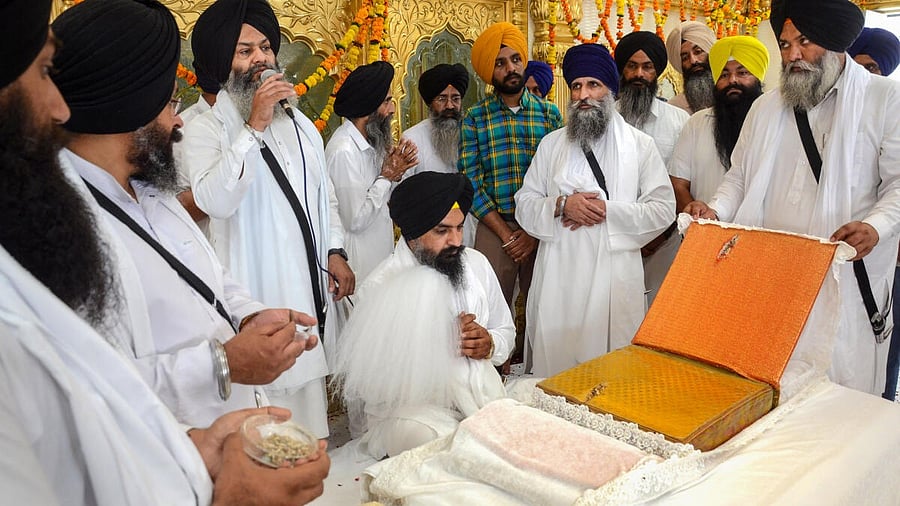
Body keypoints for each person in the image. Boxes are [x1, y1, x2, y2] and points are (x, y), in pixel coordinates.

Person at [0, 0, 329, 503]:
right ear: (125, 103)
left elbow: (211, 274)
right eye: (169, 101)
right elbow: (96, 391)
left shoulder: (150, 188)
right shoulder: (63, 228)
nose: (178, 121)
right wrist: (223, 365)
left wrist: (250, 316)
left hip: (213, 448)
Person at [685, 0, 900, 396]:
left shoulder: (883, 99)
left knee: (837, 387)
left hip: (843, 278)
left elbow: (898, 185)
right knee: (771, 387)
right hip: (773, 278)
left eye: (804, 41)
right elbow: (739, 177)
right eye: (785, 45)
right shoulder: (766, 107)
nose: (793, 55)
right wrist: (715, 209)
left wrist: (876, 226)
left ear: (835, 42)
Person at [180, 0, 353, 438]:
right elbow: (215, 200)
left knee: (308, 436)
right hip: (253, 300)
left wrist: (334, 250)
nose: (260, 58)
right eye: (244, 51)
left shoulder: (302, 126)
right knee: (260, 438)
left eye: (264, 47)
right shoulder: (203, 131)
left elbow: (323, 196)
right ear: (224, 63)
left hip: (306, 295)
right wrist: (253, 125)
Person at [515, 43, 675, 377]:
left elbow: (663, 209)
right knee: (556, 371)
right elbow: (525, 205)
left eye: (593, 85)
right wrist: (562, 205)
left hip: (612, 276)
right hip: (560, 275)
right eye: (576, 86)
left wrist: (607, 211)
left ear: (610, 91)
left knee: (611, 374)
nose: (583, 94)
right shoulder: (551, 145)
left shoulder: (640, 146)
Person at [331, 172, 514, 458]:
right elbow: (369, 388)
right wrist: (437, 345)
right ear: (413, 234)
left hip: (478, 398)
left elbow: (506, 332)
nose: (455, 241)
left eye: (459, 228)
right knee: (451, 448)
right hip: (412, 416)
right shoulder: (378, 289)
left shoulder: (475, 264)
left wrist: (489, 344)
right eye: (442, 231)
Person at [460, 21, 563, 362]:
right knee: (491, 307)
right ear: (489, 71)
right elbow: (470, 180)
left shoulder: (549, 114)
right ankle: (493, 380)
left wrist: (533, 230)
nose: (510, 68)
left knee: (546, 304)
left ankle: (540, 372)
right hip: (495, 226)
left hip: (542, 228)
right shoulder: (475, 118)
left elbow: (560, 177)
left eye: (515, 59)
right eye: (500, 63)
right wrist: (506, 234)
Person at [614, 30, 688, 306]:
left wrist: (658, 233)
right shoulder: (606, 118)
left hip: (665, 241)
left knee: (660, 315)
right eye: (632, 66)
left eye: (647, 67)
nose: (639, 75)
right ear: (622, 70)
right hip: (616, 240)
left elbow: (682, 182)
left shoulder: (679, 121)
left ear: (657, 72)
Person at [327, 60, 418, 283]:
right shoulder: (344, 151)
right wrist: (386, 176)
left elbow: (383, 201)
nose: (393, 110)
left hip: (379, 259)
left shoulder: (372, 144)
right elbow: (355, 220)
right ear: (368, 106)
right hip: (358, 265)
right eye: (387, 102)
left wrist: (396, 173)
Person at [848, 27, 900, 400]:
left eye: (873, 68)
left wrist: (881, 226)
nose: (864, 76)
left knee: (886, 348)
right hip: (867, 253)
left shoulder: (890, 107)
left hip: (886, 249)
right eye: (858, 65)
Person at [669, 35, 768, 212]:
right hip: (708, 230)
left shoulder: (773, 122)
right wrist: (699, 224)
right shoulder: (696, 124)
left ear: (758, 78)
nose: (732, 80)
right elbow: (678, 185)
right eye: (724, 74)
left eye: (742, 72)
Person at [401, 63, 470, 178]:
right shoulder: (412, 139)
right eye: (441, 99)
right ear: (430, 104)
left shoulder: (472, 133)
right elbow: (402, 189)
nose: (449, 106)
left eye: (455, 99)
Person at [665, 21, 717, 114]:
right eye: (685, 58)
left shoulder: (730, 96)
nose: (693, 61)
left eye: (698, 52)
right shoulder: (675, 108)